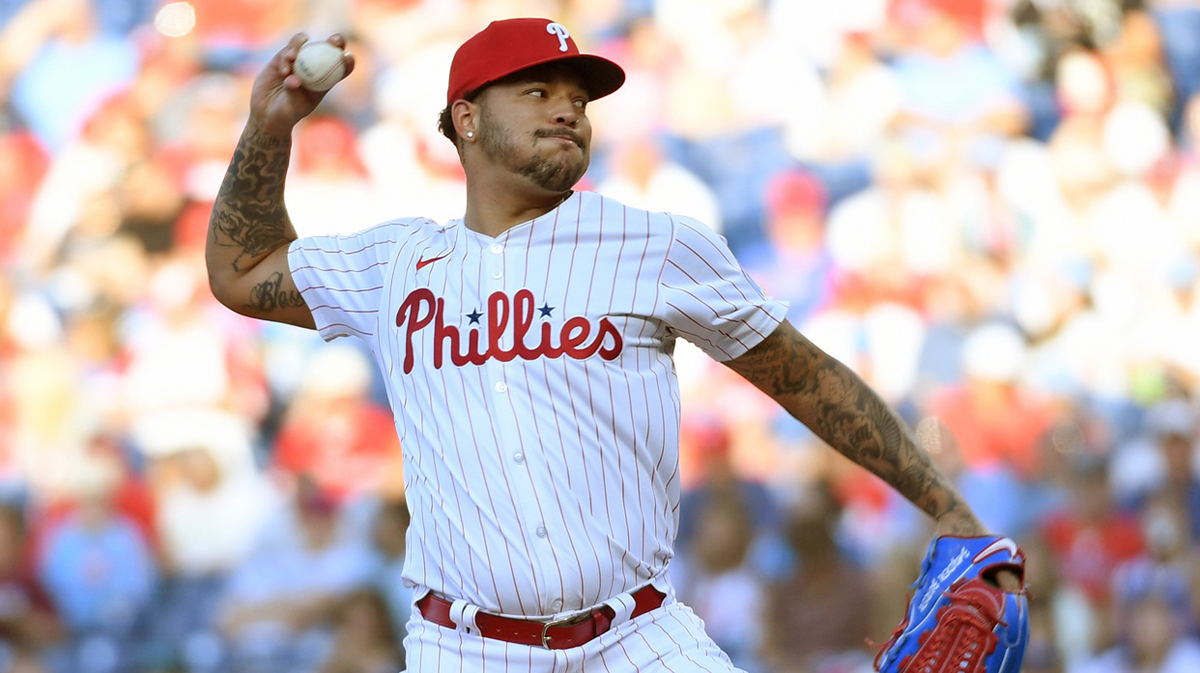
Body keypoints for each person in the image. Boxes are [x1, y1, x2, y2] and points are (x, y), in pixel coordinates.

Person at [204, 17, 1017, 671]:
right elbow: (241, 273)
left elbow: (803, 376)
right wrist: (268, 127)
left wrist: (946, 504)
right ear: (467, 118)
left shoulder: (655, 244)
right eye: (538, 90)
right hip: (463, 647)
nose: (567, 109)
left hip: (639, 636)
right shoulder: (393, 263)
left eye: (579, 99)